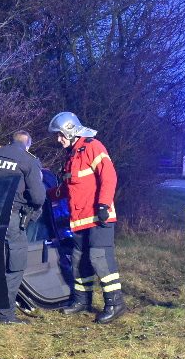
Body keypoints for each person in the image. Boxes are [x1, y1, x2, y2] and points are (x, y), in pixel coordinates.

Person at [47, 111, 126, 324]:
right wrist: (46, 195)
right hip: (79, 218)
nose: (58, 139)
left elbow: (109, 176)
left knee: (100, 257)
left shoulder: (93, 146)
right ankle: (82, 300)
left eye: (60, 134)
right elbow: (68, 187)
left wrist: (103, 205)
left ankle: (115, 303)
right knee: (79, 260)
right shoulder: (72, 155)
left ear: (70, 131)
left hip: (98, 216)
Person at [0, 130, 46, 324]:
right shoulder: (29, 160)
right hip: (11, 218)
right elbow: (39, 197)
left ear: (10, 141)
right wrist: (33, 213)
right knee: (15, 265)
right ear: (27, 145)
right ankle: (6, 316)